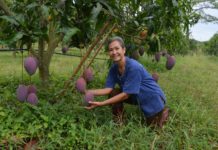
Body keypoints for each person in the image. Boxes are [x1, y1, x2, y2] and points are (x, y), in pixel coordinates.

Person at [85, 36, 169, 128]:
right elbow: (108, 89)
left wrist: (101, 103)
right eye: (111, 50)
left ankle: (163, 112)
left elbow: (125, 95)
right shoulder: (114, 68)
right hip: (137, 95)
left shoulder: (134, 67)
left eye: (117, 48)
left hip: (152, 98)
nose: (114, 52)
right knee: (114, 92)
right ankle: (119, 122)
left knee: (153, 129)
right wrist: (87, 92)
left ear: (124, 50)